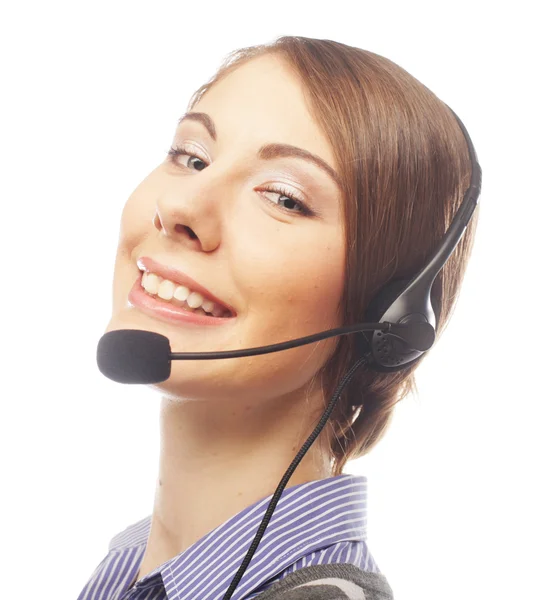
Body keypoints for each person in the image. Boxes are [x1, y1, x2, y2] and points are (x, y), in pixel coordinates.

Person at [77, 35, 480, 600]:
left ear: (387, 316)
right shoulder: (128, 570)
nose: (181, 206)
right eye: (191, 157)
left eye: (284, 197)